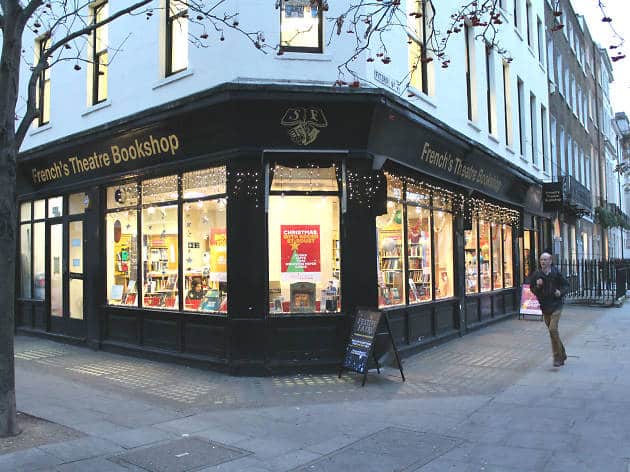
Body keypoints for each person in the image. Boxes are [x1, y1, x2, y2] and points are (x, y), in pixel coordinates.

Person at [529, 251, 570, 367]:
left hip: (557, 305)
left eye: (545, 260)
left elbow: (566, 285)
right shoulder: (537, 275)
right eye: (541, 260)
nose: (543, 262)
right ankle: (563, 354)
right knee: (553, 333)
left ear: (550, 261)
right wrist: (538, 286)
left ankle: (557, 357)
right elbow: (532, 289)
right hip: (545, 306)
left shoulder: (556, 273)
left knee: (552, 329)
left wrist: (560, 292)